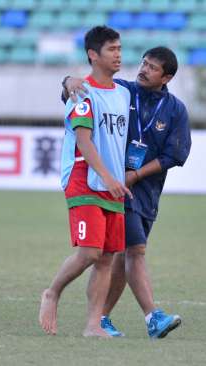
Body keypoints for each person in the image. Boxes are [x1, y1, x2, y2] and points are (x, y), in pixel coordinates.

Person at [63, 46, 190, 338]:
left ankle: (102, 318)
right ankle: (152, 318)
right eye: (144, 63)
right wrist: (68, 80)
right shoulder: (120, 90)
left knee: (120, 256)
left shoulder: (175, 110)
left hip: (146, 192)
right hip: (115, 187)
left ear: (166, 77)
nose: (143, 69)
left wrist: (136, 175)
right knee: (136, 250)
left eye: (153, 67)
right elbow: (81, 91)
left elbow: (175, 155)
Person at [38, 26, 132, 338]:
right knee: (90, 252)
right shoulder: (82, 93)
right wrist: (106, 176)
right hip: (86, 178)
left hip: (113, 183)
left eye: (120, 48)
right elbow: (84, 140)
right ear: (93, 55)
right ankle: (52, 292)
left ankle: (93, 325)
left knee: (106, 258)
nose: (118, 54)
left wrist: (115, 177)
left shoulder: (123, 93)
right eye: (112, 49)